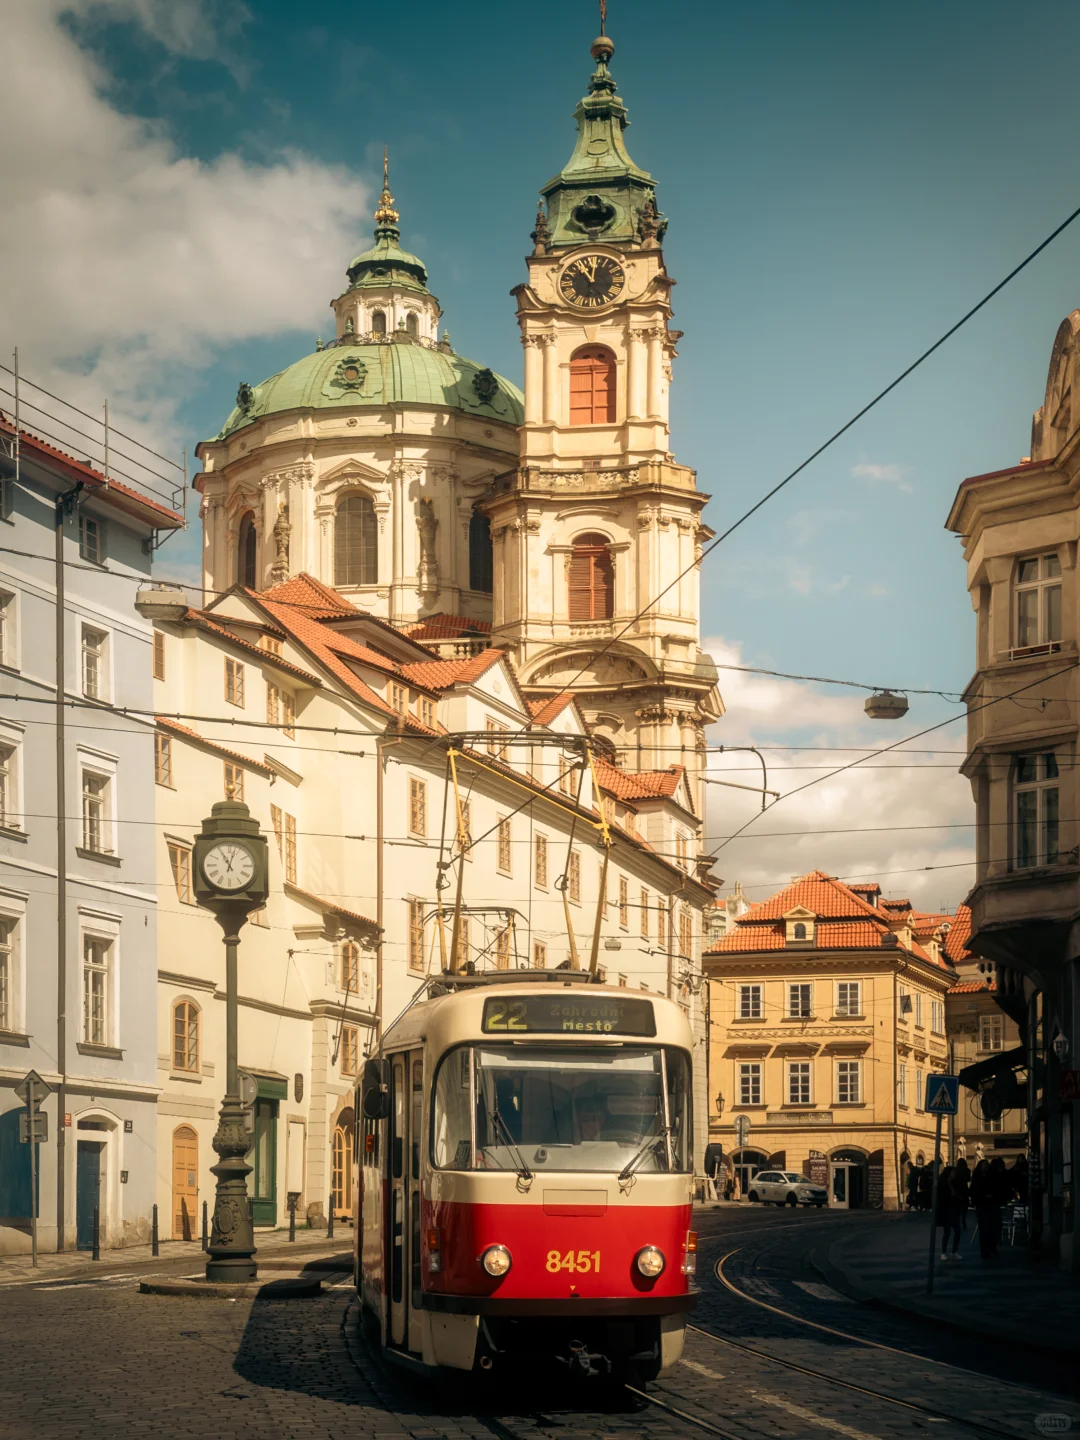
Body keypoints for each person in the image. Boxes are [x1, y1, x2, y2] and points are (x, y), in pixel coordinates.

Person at [970, 1158, 1001, 1259]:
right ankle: (985, 1250)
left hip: (992, 1204)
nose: (986, 1166)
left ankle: (992, 1246)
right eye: (984, 1164)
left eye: (987, 1164)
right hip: (982, 1205)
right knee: (984, 1229)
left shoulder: (992, 1176)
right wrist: (982, 1197)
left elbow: (997, 1188)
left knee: (995, 1228)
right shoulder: (976, 1178)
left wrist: (993, 1196)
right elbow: (973, 1191)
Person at [936, 1165, 962, 1262]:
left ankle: (954, 1251)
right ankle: (943, 1252)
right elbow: (942, 1197)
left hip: (954, 1209)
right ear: (949, 1173)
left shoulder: (955, 1183)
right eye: (953, 1172)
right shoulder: (942, 1183)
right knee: (947, 1232)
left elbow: (957, 1194)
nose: (954, 1174)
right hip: (946, 1210)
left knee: (958, 1232)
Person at [953, 1158, 971, 1230]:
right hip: (964, 1189)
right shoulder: (967, 1170)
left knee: (957, 1206)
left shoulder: (955, 1170)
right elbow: (968, 1179)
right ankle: (963, 1219)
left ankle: (957, 1220)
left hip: (957, 1189)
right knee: (964, 1206)